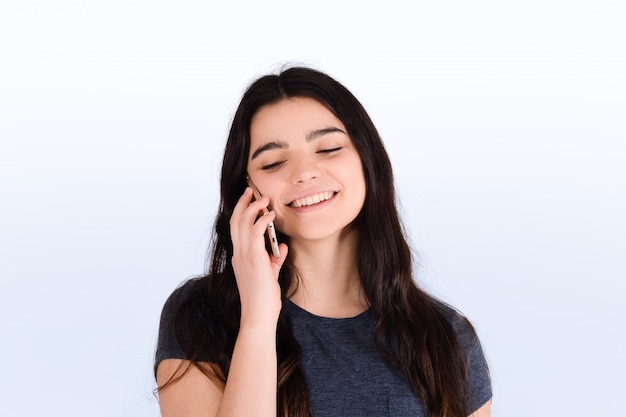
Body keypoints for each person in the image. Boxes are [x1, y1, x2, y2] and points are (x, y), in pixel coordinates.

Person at [154, 66, 492, 417]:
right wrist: (258, 316)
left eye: (328, 148)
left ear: (367, 158)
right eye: (273, 162)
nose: (304, 173)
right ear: (247, 190)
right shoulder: (199, 316)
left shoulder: (446, 337)